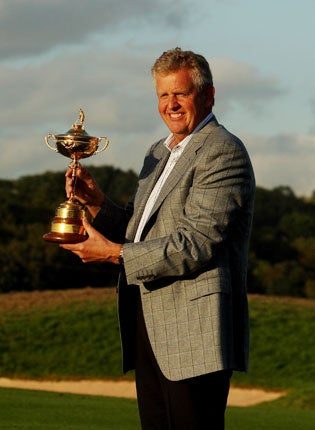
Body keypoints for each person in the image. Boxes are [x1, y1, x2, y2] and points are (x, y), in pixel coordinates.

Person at [61, 47, 255, 429]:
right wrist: (96, 201)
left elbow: (195, 243)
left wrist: (114, 254)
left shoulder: (222, 151)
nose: (171, 104)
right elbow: (140, 231)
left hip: (195, 332)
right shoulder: (158, 152)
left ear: (208, 95)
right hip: (149, 324)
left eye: (180, 93)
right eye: (163, 95)